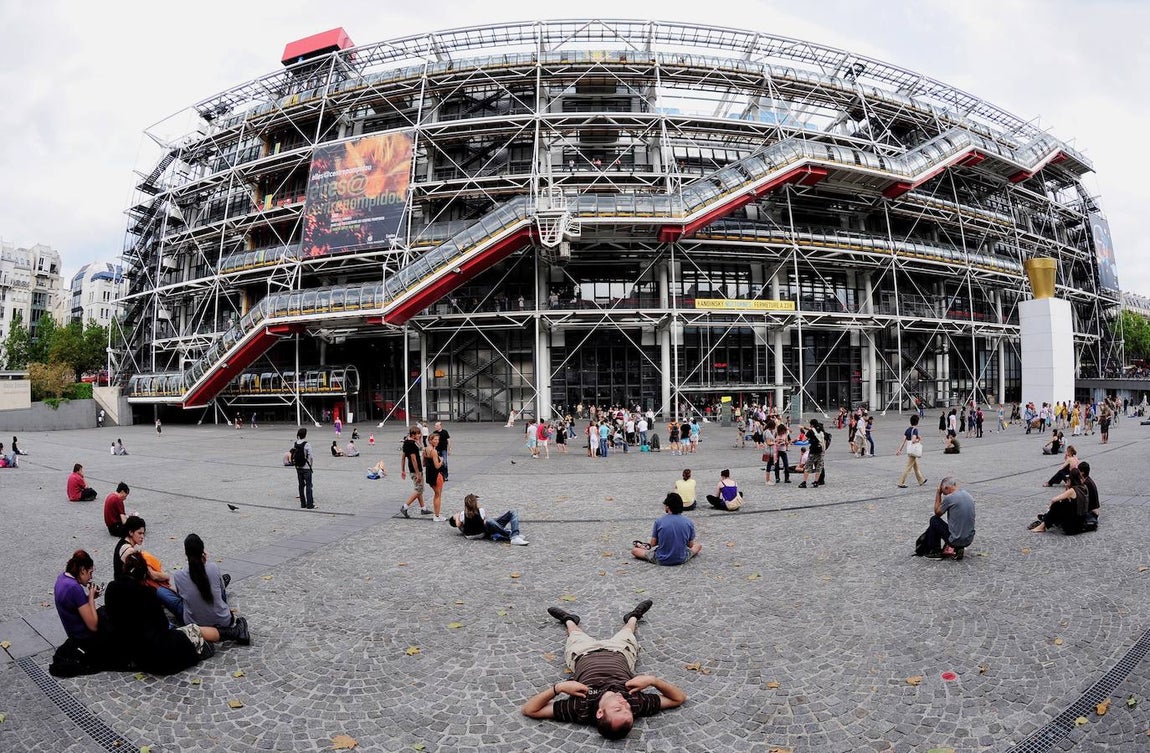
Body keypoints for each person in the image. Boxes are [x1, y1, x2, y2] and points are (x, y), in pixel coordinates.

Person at [524, 600, 686, 738]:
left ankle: (569, 619)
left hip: (583, 654)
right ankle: (634, 617)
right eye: (628, 709)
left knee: (575, 634)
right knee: (628, 631)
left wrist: (558, 688)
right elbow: (678, 698)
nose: (624, 703)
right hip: (621, 651)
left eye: (617, 708)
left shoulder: (581, 708)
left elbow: (530, 710)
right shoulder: (635, 703)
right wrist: (653, 681)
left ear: (600, 713)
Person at [104, 552, 232, 675]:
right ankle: (232, 633)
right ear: (144, 575)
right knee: (193, 630)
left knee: (187, 632)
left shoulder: (111, 588)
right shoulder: (146, 594)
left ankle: (230, 634)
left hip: (131, 652)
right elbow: (163, 626)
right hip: (156, 655)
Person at [172, 534, 250, 644]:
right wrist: (205, 564)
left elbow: (181, 596)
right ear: (203, 551)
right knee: (218, 588)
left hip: (195, 624)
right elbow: (222, 591)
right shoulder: (213, 567)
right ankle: (218, 581)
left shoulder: (178, 576)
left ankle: (216, 582)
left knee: (169, 596)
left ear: (186, 553)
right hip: (223, 620)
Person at [631, 493, 701, 565]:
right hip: (681, 558)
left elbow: (653, 543)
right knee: (698, 546)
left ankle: (642, 547)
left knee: (634, 551)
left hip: (661, 558)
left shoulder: (659, 521)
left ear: (667, 507)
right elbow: (691, 545)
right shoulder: (688, 522)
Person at [54, 549, 102, 651]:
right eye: (90, 573)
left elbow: (75, 604)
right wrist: (91, 598)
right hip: (83, 638)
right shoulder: (75, 588)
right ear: (83, 570)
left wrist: (90, 597)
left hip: (72, 632)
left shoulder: (61, 578)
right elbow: (93, 625)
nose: (91, 577)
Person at [921, 476, 975, 560]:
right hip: (969, 539)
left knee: (934, 520)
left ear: (946, 488)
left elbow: (937, 513)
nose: (944, 493)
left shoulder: (950, 498)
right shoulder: (968, 495)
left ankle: (934, 551)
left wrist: (938, 493)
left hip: (955, 540)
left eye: (943, 491)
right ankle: (959, 548)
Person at [447, 493, 529, 545]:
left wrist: (457, 516)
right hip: (483, 532)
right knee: (511, 512)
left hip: (470, 535)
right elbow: (485, 522)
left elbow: (458, 524)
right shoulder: (480, 510)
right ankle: (513, 536)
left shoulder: (462, 514)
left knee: (490, 521)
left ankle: (512, 535)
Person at [1030, 468, 1091, 534]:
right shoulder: (1084, 487)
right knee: (1063, 504)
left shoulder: (1072, 490)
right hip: (1081, 521)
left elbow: (1054, 499)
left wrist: (1051, 506)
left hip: (1072, 527)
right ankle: (1045, 522)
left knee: (1057, 505)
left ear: (1071, 479)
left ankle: (1042, 525)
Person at [399, 426, 431, 517]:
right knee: (419, 489)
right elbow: (414, 459)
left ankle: (423, 508)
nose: (420, 435)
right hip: (416, 470)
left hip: (411, 469)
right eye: (418, 434)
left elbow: (403, 458)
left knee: (419, 489)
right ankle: (405, 507)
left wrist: (403, 470)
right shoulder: (412, 444)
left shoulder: (406, 442)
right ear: (413, 435)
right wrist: (418, 474)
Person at [895, 415, 926, 488]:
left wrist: (899, 450)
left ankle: (921, 480)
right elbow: (913, 440)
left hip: (909, 449)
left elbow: (903, 441)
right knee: (908, 467)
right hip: (913, 450)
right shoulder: (915, 430)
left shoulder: (907, 430)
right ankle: (901, 482)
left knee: (915, 466)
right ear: (917, 422)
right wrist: (919, 439)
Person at [424, 433, 447, 521]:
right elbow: (437, 466)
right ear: (430, 440)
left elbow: (424, 463)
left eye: (438, 439)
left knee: (436, 494)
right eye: (435, 440)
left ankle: (437, 514)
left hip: (429, 474)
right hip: (436, 474)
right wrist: (441, 461)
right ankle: (437, 516)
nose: (437, 441)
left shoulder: (425, 449)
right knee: (438, 495)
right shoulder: (433, 451)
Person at [292, 428, 316, 509]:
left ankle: (303, 503)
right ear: (305, 435)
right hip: (306, 467)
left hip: (298, 467)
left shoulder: (295, 444)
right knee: (309, 486)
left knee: (301, 486)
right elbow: (311, 456)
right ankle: (310, 504)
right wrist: (310, 465)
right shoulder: (307, 444)